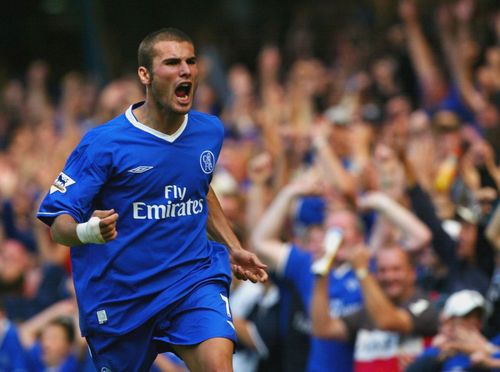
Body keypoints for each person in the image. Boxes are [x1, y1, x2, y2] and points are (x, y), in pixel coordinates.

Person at [36, 27, 267, 372]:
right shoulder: (103, 144)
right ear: (144, 74)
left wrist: (232, 245)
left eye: (190, 61)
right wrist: (89, 231)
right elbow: (58, 224)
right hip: (122, 298)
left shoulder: (209, 131)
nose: (185, 70)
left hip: (193, 279)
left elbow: (198, 188)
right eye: (172, 63)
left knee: (219, 365)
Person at [311, 244, 439, 371]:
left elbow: (387, 321)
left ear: (412, 273)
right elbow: (323, 328)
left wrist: (362, 271)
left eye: (396, 269)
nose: (389, 277)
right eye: (382, 270)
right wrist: (322, 273)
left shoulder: (424, 305)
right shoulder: (368, 312)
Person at [407, 289, 500, 371]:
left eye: (479, 317)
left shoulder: (495, 343)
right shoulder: (439, 350)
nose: (474, 321)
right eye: (466, 316)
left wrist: (485, 348)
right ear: (449, 321)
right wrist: (440, 356)